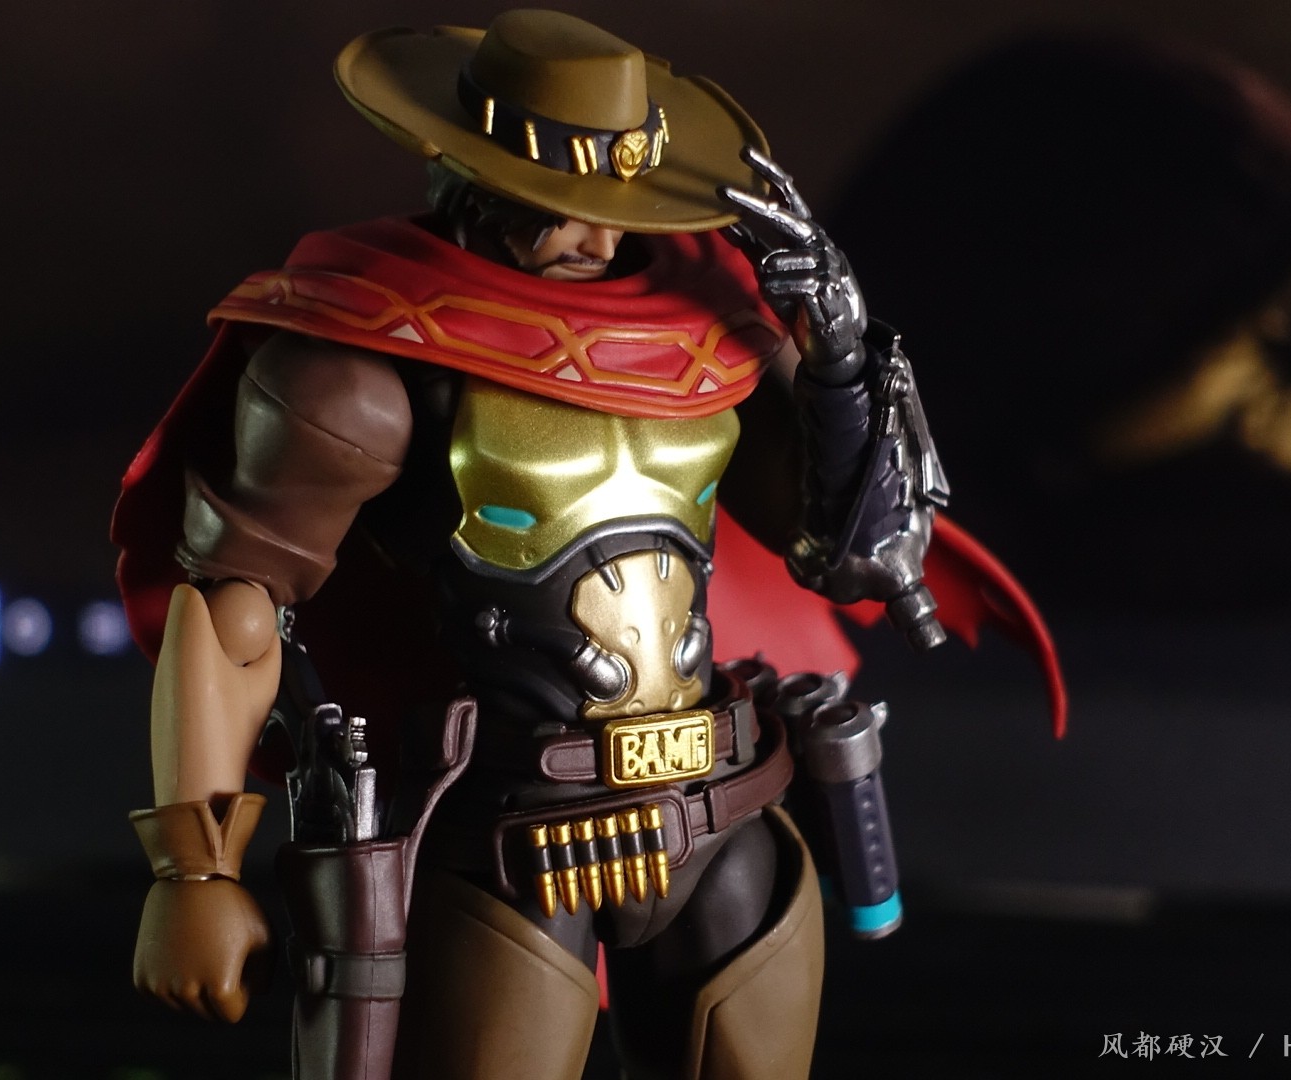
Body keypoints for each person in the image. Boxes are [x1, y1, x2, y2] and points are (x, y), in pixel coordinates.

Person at [112, 11, 1054, 1079]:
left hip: (719, 809)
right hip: (514, 834)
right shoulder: (365, 365)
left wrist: (838, 364)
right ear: (463, 171)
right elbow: (235, 611)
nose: (597, 238)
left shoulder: (710, 331)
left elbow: (856, 559)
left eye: (618, 206)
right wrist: (193, 872)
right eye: (558, 203)